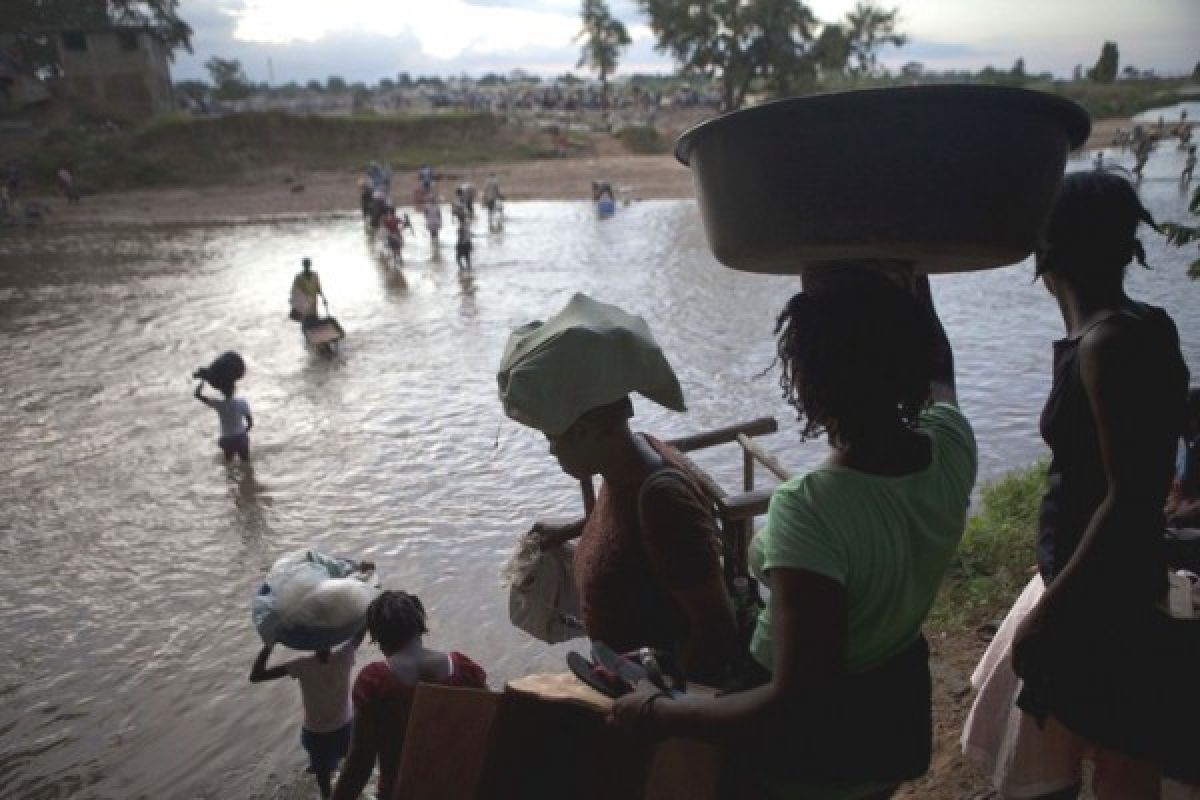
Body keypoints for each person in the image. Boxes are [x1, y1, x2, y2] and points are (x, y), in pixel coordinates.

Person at [609, 267, 976, 799]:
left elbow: (795, 699)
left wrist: (664, 714)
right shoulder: (951, 447)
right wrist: (913, 277)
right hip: (886, 728)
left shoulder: (811, 510)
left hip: (807, 765)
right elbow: (941, 370)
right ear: (909, 358)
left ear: (808, 384)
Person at [964, 170, 1195, 797]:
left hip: (1097, 591)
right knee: (1114, 749)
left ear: (1048, 253)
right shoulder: (1148, 325)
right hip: (1108, 576)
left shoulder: (1104, 347)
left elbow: (1127, 498)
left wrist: (1050, 612)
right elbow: (1175, 421)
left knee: (1107, 756)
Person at [499, 293, 741, 685]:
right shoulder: (627, 464)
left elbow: (716, 632)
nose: (550, 448)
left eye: (554, 436)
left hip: (653, 703)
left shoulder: (662, 501)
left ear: (590, 430)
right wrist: (572, 530)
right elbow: (631, 533)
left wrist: (658, 702)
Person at [331, 590, 486, 800]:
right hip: (460, 789)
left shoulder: (374, 680)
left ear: (378, 638)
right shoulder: (464, 668)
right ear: (419, 627)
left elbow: (360, 761)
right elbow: (488, 732)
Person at [250, 624, 369, 799]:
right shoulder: (344, 655)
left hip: (318, 735)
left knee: (325, 787)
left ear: (310, 644)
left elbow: (256, 675)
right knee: (354, 773)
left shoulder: (303, 665)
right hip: (344, 729)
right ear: (332, 639)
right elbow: (361, 628)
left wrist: (271, 644)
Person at [194, 372, 253, 462]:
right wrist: (243, 433)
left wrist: (203, 380)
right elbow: (250, 423)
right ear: (234, 388)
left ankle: (231, 476)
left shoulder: (219, 404)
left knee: (229, 465)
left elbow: (197, 395)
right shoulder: (242, 402)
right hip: (241, 438)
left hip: (227, 439)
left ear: (221, 391)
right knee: (246, 464)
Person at [291, 257, 326, 324]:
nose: (307, 266)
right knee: (306, 320)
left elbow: (318, 288)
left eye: (308, 264)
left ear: (310, 265)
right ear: (303, 266)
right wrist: (296, 305)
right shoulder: (299, 277)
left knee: (314, 318)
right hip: (304, 304)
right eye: (305, 265)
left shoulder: (315, 275)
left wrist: (323, 298)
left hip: (314, 302)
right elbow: (294, 291)